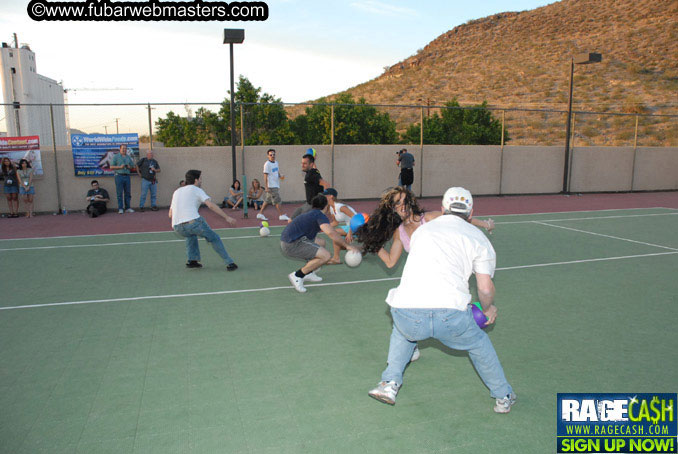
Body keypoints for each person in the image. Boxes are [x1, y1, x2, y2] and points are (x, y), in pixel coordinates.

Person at [367, 187, 515, 413]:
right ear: (471, 212)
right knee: (478, 344)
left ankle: (389, 383)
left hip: (407, 312)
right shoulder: (478, 239)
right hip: (450, 315)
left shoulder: (422, 231)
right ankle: (503, 397)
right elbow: (484, 289)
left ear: (443, 209)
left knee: (403, 331)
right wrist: (488, 308)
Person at [356, 186, 495, 361]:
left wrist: (485, 224)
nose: (403, 206)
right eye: (397, 203)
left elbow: (460, 221)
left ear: (411, 201)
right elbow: (391, 262)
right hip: (421, 277)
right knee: (402, 304)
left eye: (405, 201)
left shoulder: (429, 218)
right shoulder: (399, 233)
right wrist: (372, 242)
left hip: (446, 275)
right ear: (391, 208)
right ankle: (410, 344)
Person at [281, 194, 359, 293]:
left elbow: (328, 229)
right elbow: (330, 233)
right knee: (326, 256)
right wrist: (347, 246)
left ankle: (309, 272)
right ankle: (298, 275)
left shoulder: (312, 213)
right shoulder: (319, 216)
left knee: (321, 242)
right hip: (292, 244)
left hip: (289, 240)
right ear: (326, 206)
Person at [169, 169, 238, 270]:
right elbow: (210, 206)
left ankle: (192, 261)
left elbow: (170, 214)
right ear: (196, 180)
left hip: (177, 227)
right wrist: (227, 217)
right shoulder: (197, 190)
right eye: (200, 178)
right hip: (194, 224)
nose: (201, 181)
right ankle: (230, 263)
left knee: (190, 234)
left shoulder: (177, 191)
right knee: (214, 238)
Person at [322, 187, 357, 265]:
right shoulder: (331, 207)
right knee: (334, 234)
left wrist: (349, 233)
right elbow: (335, 222)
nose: (323, 197)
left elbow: (355, 218)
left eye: (325, 195)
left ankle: (336, 258)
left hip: (358, 225)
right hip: (350, 227)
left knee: (335, 233)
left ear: (331, 196)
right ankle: (356, 248)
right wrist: (322, 227)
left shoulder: (340, 206)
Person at [291, 153, 329, 219]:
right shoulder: (313, 171)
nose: (302, 165)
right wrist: (313, 159)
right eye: (302, 163)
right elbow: (315, 169)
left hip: (312, 206)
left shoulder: (312, 174)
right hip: (307, 204)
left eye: (305, 163)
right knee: (291, 220)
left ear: (310, 164)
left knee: (300, 221)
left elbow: (326, 184)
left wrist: (325, 203)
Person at [257, 149, 289, 221]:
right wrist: (266, 186)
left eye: (274, 154)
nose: (272, 156)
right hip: (271, 186)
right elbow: (265, 176)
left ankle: (260, 213)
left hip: (276, 185)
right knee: (277, 201)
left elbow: (277, 172)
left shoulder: (276, 162)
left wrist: (280, 175)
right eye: (271, 155)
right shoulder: (267, 164)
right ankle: (281, 215)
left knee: (267, 200)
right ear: (268, 156)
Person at [109, 144, 136, 214]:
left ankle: (128, 208)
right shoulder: (116, 157)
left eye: (125, 149)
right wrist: (120, 167)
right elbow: (111, 167)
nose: (124, 150)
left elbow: (133, 166)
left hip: (127, 176)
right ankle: (120, 208)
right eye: (123, 148)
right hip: (119, 176)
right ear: (120, 149)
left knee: (128, 193)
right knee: (119, 193)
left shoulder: (128, 157)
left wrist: (129, 166)